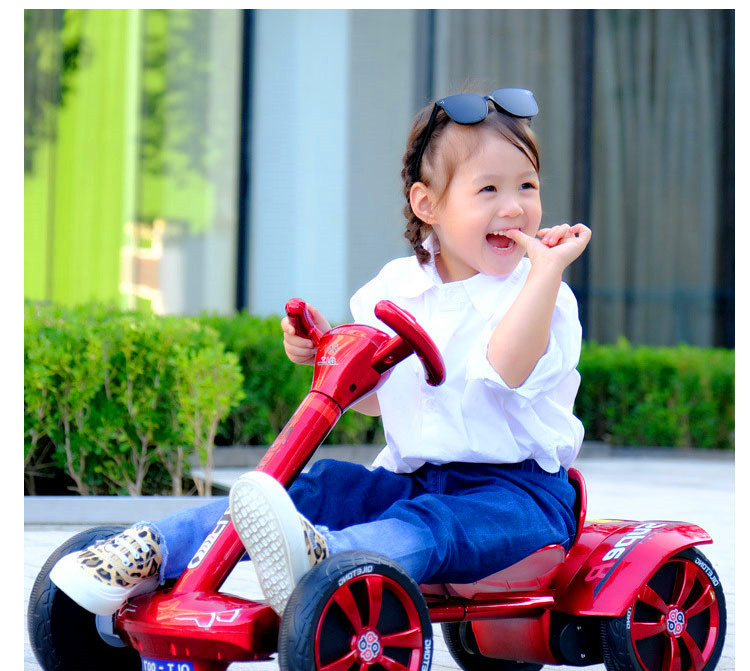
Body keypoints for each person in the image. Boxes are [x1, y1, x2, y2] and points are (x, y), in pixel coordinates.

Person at [50, 87, 591, 619]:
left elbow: (507, 369)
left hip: (519, 497)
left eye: (527, 186)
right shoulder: (397, 287)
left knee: (434, 526)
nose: (514, 207)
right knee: (322, 484)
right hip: (415, 480)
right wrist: (329, 349)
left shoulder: (541, 293)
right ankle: (153, 547)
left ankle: (326, 558)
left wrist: (545, 272)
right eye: (489, 189)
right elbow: (374, 399)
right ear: (427, 204)